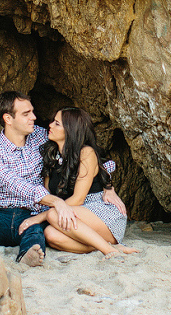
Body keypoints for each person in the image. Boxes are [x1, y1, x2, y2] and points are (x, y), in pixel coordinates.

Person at [0, 91, 126, 266]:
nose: (34, 117)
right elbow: (16, 184)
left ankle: (28, 255)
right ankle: (100, 245)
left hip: (34, 213)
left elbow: (93, 159)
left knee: (36, 234)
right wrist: (56, 202)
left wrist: (109, 188)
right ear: (8, 119)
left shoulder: (40, 136)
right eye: (26, 114)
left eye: (32, 111)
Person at [20, 107, 137, 257]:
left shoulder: (86, 153)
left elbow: (79, 199)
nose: (50, 125)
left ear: (70, 130)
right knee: (50, 235)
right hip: (72, 213)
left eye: (57, 123)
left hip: (99, 212)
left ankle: (110, 251)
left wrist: (40, 217)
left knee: (53, 215)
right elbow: (49, 194)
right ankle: (104, 246)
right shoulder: (52, 155)